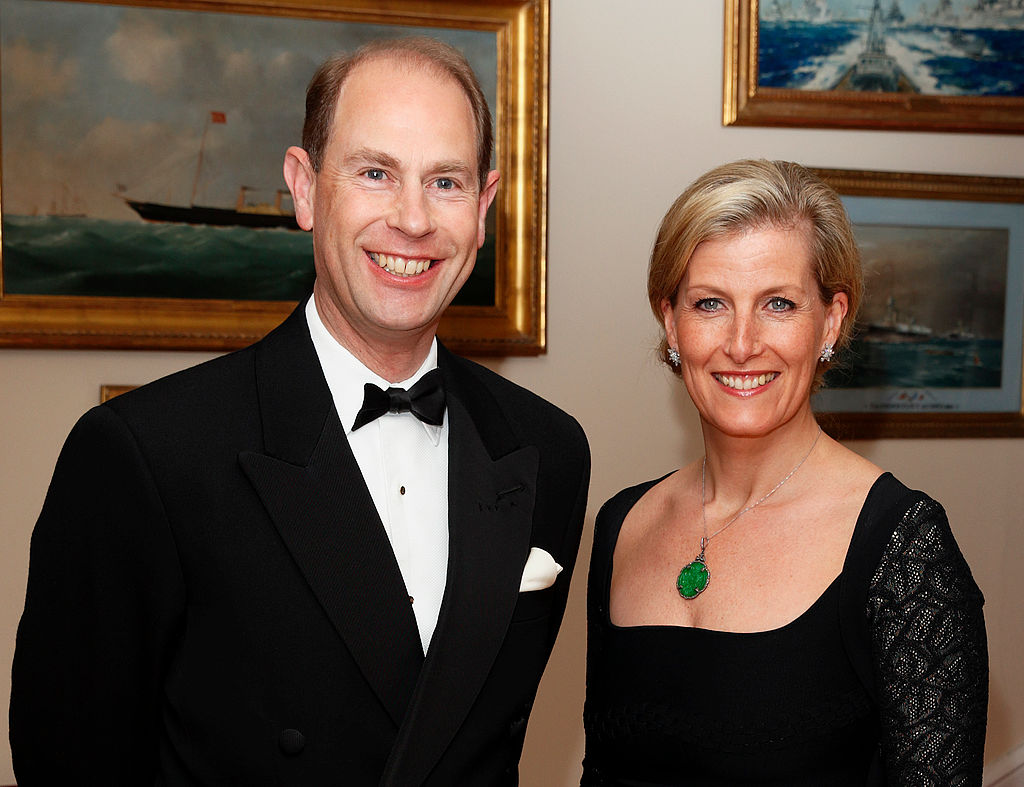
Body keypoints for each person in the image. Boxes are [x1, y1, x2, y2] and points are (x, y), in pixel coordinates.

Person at [11, 37, 590, 786]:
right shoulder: (144, 455)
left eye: (445, 182)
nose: (413, 220)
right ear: (305, 189)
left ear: (483, 209)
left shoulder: (548, 448)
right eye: (375, 173)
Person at [582, 159, 987, 785]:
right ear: (671, 323)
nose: (742, 344)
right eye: (710, 304)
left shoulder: (903, 546)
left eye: (778, 304)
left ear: (831, 320)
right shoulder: (621, 526)